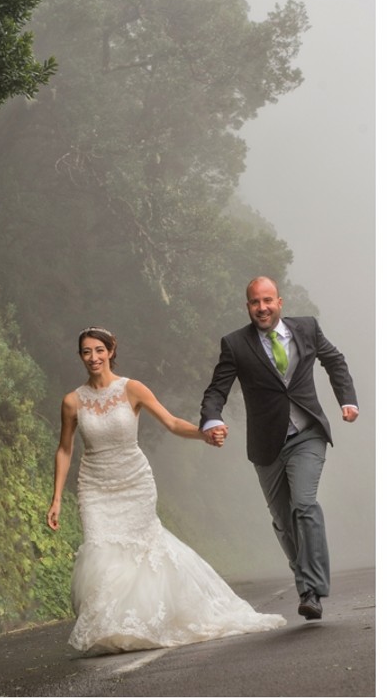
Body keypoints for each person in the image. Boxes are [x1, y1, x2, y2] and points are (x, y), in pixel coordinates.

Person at [47, 326, 286, 656]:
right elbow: (64, 449)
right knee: (101, 549)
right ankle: (110, 627)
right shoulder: (72, 401)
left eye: (99, 350)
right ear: (80, 356)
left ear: (111, 351)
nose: (93, 357)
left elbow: (172, 423)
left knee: (140, 552)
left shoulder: (132, 389)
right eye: (87, 352)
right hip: (94, 486)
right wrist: (57, 497)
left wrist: (204, 433)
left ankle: (140, 623)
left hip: (134, 482)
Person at [200, 276, 359, 623]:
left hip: (307, 434)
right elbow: (217, 389)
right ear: (248, 307)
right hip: (267, 443)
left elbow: (335, 361)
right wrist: (211, 418)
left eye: (268, 300)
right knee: (284, 521)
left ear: (280, 302)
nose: (263, 308)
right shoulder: (236, 344)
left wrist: (346, 400)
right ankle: (305, 584)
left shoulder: (307, 329)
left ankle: (311, 590)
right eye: (256, 302)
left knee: (304, 504)